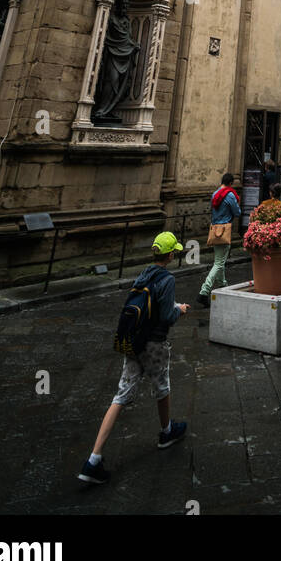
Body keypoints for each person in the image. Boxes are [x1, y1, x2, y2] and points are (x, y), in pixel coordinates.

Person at [78, 232, 189, 484]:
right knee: (162, 386)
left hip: (133, 341)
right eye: (175, 252)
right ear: (171, 254)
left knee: (120, 396)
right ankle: (166, 432)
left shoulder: (144, 274)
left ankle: (93, 459)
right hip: (154, 343)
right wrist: (180, 309)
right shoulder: (167, 279)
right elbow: (166, 315)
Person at [197, 172, 241, 308]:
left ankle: (223, 285)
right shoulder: (230, 195)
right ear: (231, 183)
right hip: (224, 230)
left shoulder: (215, 194)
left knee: (220, 260)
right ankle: (204, 291)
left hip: (214, 229)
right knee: (219, 262)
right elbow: (237, 212)